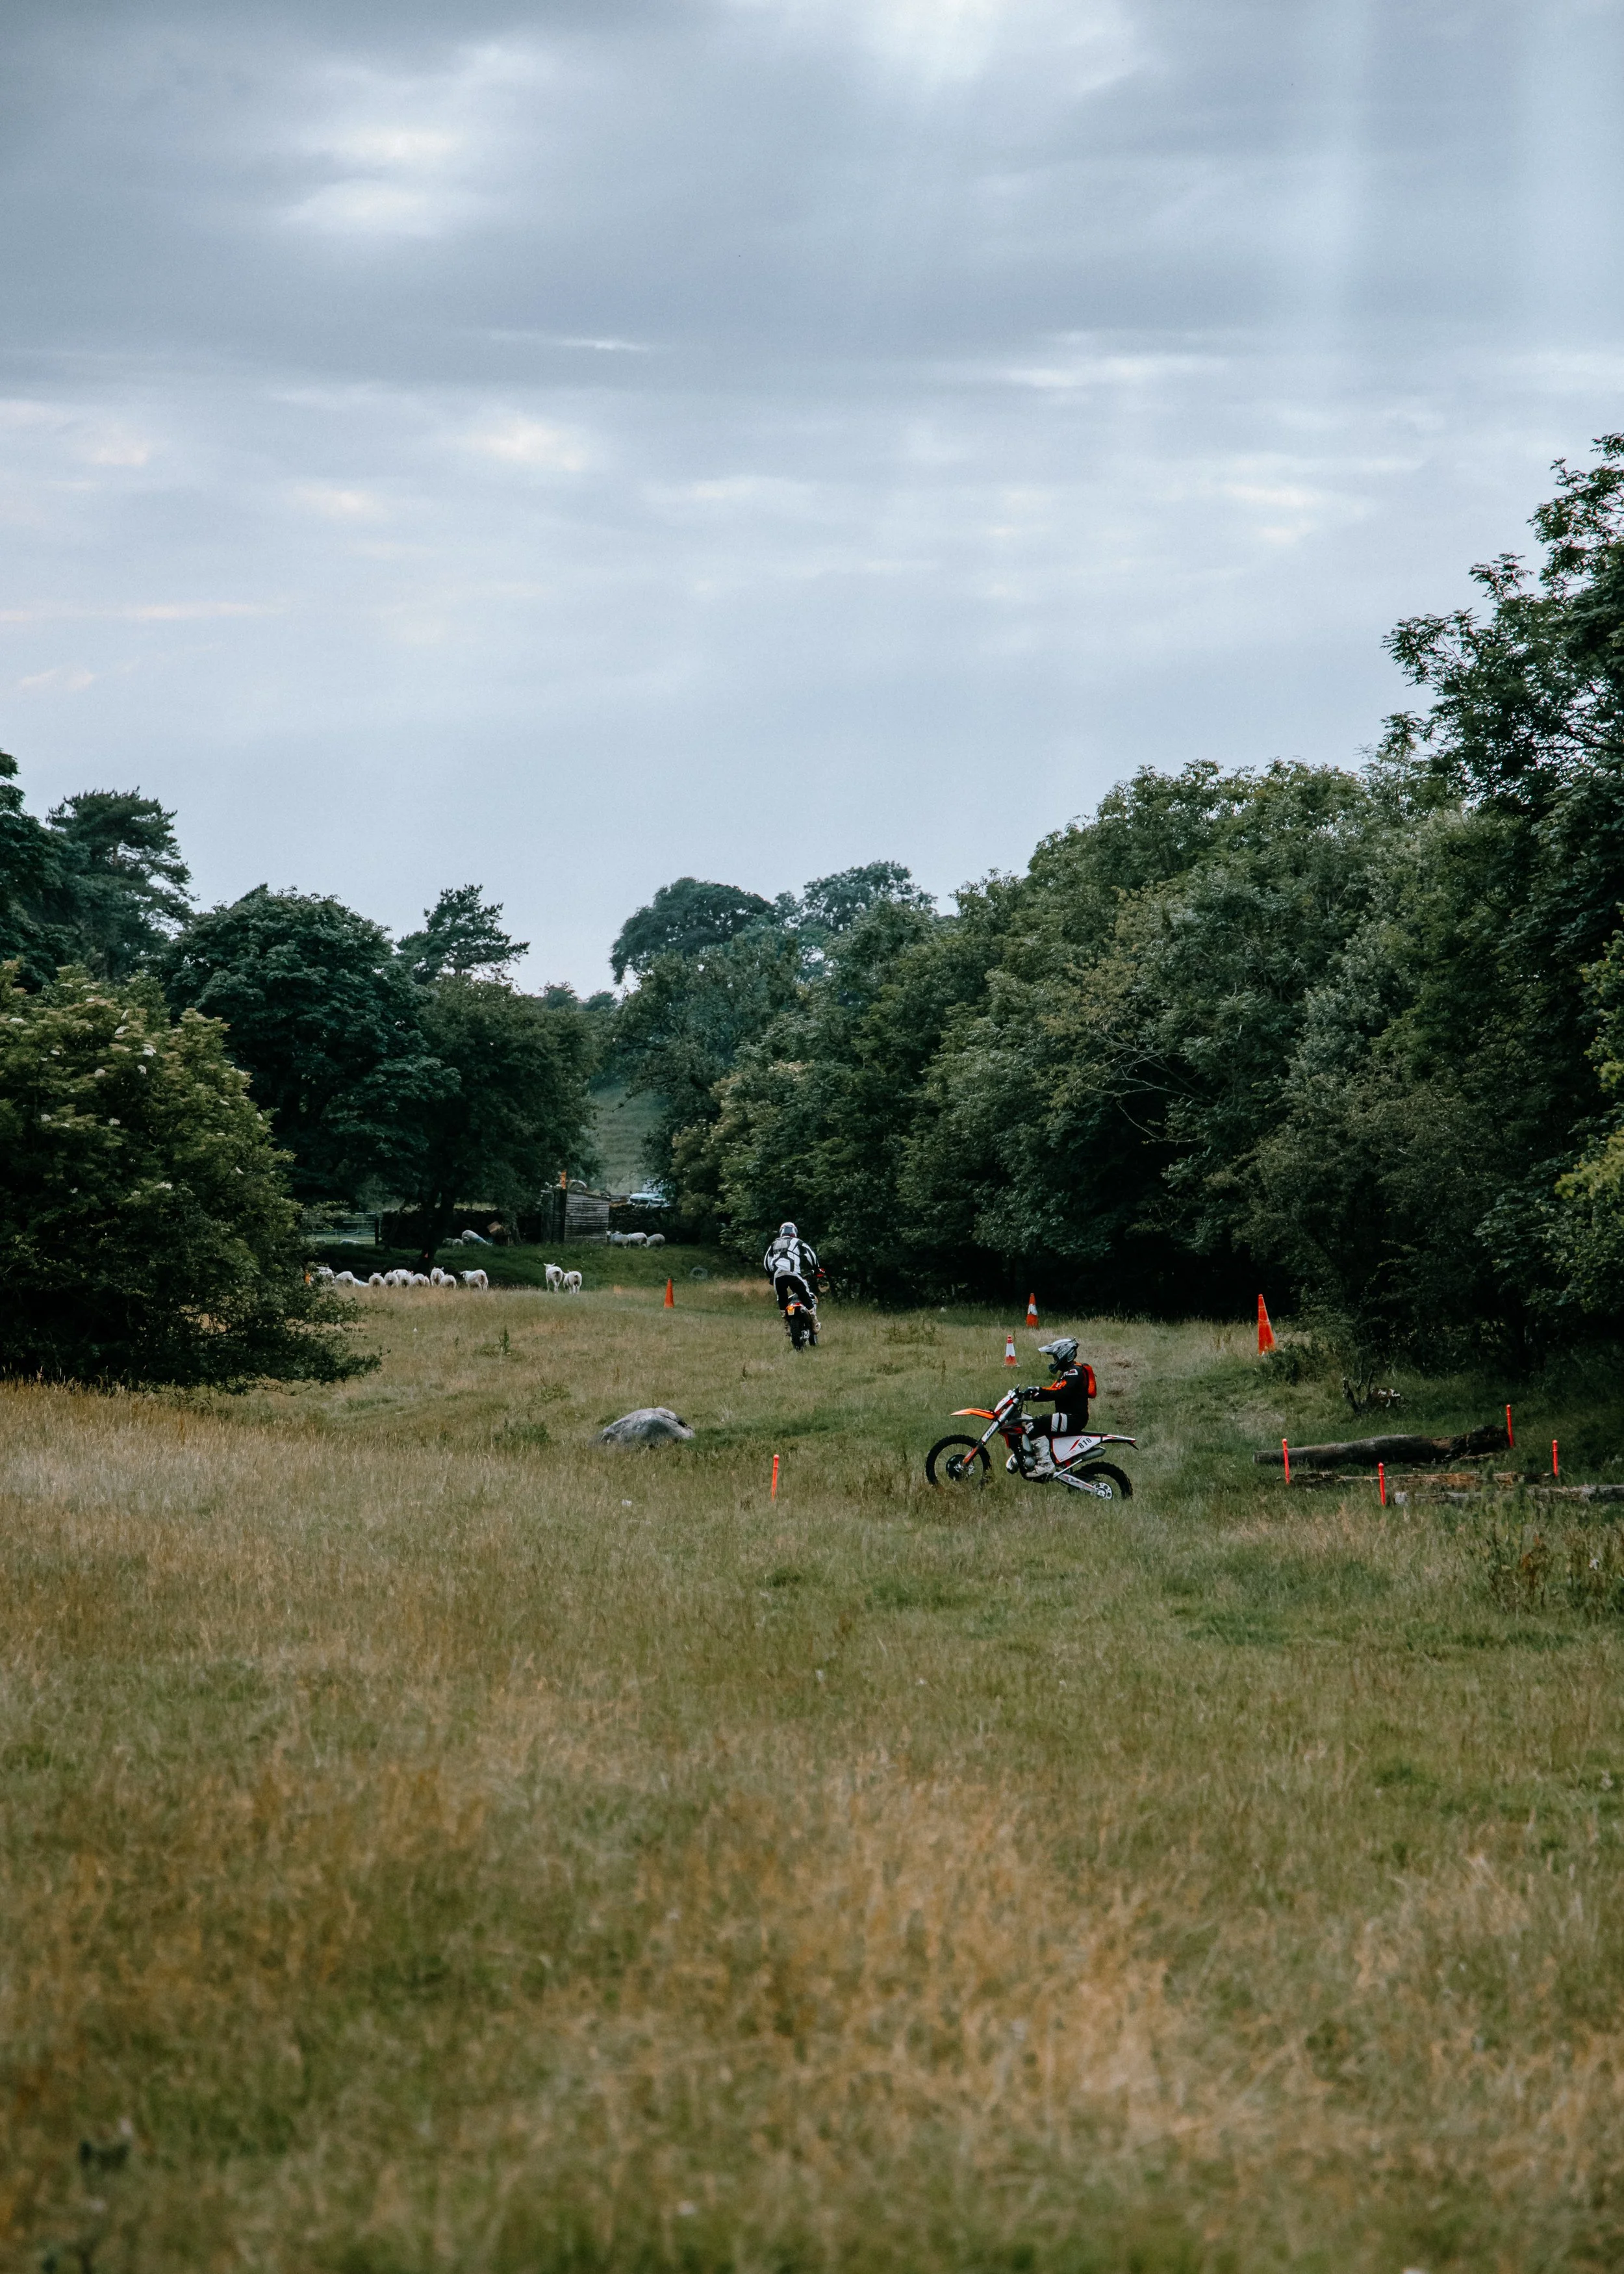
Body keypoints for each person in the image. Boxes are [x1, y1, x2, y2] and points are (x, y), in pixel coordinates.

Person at [1021, 1336, 1097, 1477]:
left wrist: (1038, 1389)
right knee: (1033, 1423)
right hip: (1068, 1417)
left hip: (1073, 1418)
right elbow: (1053, 1391)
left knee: (1034, 1425)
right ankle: (1047, 1459)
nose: (1054, 1361)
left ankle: (1045, 1464)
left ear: (1064, 1355)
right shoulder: (1066, 1374)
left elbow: (1061, 1393)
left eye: (1055, 1358)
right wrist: (1030, 1395)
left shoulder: (1075, 1372)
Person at [763, 1220, 820, 1316]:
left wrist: (771, 1276)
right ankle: (814, 1320)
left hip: (778, 1276)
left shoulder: (774, 1244)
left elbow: (766, 1262)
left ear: (781, 1232)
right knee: (805, 1295)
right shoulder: (798, 1241)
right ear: (795, 1232)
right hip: (793, 1274)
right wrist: (816, 1269)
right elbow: (811, 1255)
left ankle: (786, 1324)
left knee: (782, 1299)